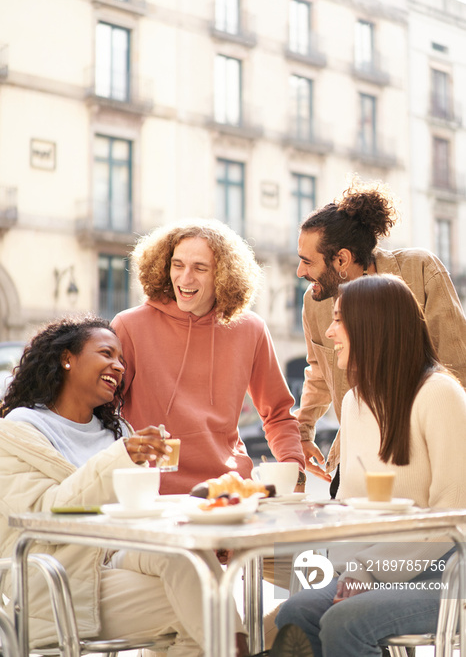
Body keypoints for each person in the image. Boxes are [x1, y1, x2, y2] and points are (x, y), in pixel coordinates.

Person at [0, 315, 249, 657]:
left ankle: (239, 648)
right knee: (198, 607)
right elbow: (46, 514)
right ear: (66, 358)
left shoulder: (118, 434)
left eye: (121, 360)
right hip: (59, 578)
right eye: (106, 353)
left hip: (115, 560)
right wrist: (119, 457)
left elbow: (138, 513)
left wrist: (202, 541)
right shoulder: (17, 432)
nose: (118, 366)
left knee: (189, 558)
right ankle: (243, 649)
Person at [276, 274, 466, 656]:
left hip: (447, 573)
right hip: (380, 566)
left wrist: (367, 571)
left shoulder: (440, 395)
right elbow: (354, 507)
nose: (329, 333)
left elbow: (453, 516)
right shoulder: (355, 402)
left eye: (338, 319)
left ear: (372, 326)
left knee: (346, 620)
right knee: (295, 612)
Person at [295, 176, 466, 492]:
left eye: (307, 261)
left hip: (418, 445)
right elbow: (319, 371)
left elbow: (459, 365)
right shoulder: (313, 302)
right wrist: (302, 431)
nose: (300, 271)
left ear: (342, 260)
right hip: (356, 450)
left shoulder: (421, 270)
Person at [112, 218, 306, 496]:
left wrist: (293, 469)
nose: (185, 278)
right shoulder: (129, 327)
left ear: (223, 275)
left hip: (230, 491)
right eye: (177, 265)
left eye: (199, 268)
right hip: (153, 493)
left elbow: (278, 414)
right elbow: (101, 413)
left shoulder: (251, 329)